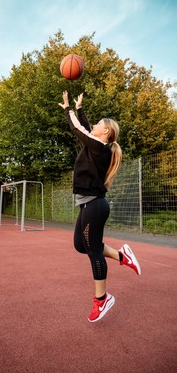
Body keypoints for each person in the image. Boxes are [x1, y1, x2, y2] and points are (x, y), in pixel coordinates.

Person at [58, 90, 141, 323]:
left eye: (98, 124)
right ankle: (122, 256)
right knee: (80, 245)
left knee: (93, 250)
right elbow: (86, 128)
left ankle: (102, 299)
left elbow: (77, 129)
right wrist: (81, 109)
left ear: (105, 132)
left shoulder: (99, 147)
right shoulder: (98, 145)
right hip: (89, 205)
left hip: (95, 205)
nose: (93, 125)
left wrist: (68, 108)